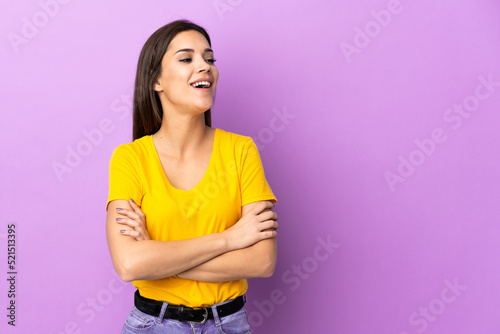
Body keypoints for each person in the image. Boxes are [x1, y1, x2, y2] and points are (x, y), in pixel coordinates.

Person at [105, 19, 279, 333]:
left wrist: (158, 255)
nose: (205, 67)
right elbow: (130, 264)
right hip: (152, 325)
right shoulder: (130, 158)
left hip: (229, 324)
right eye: (187, 59)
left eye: (209, 59)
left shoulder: (242, 151)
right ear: (156, 80)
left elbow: (262, 261)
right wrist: (229, 239)